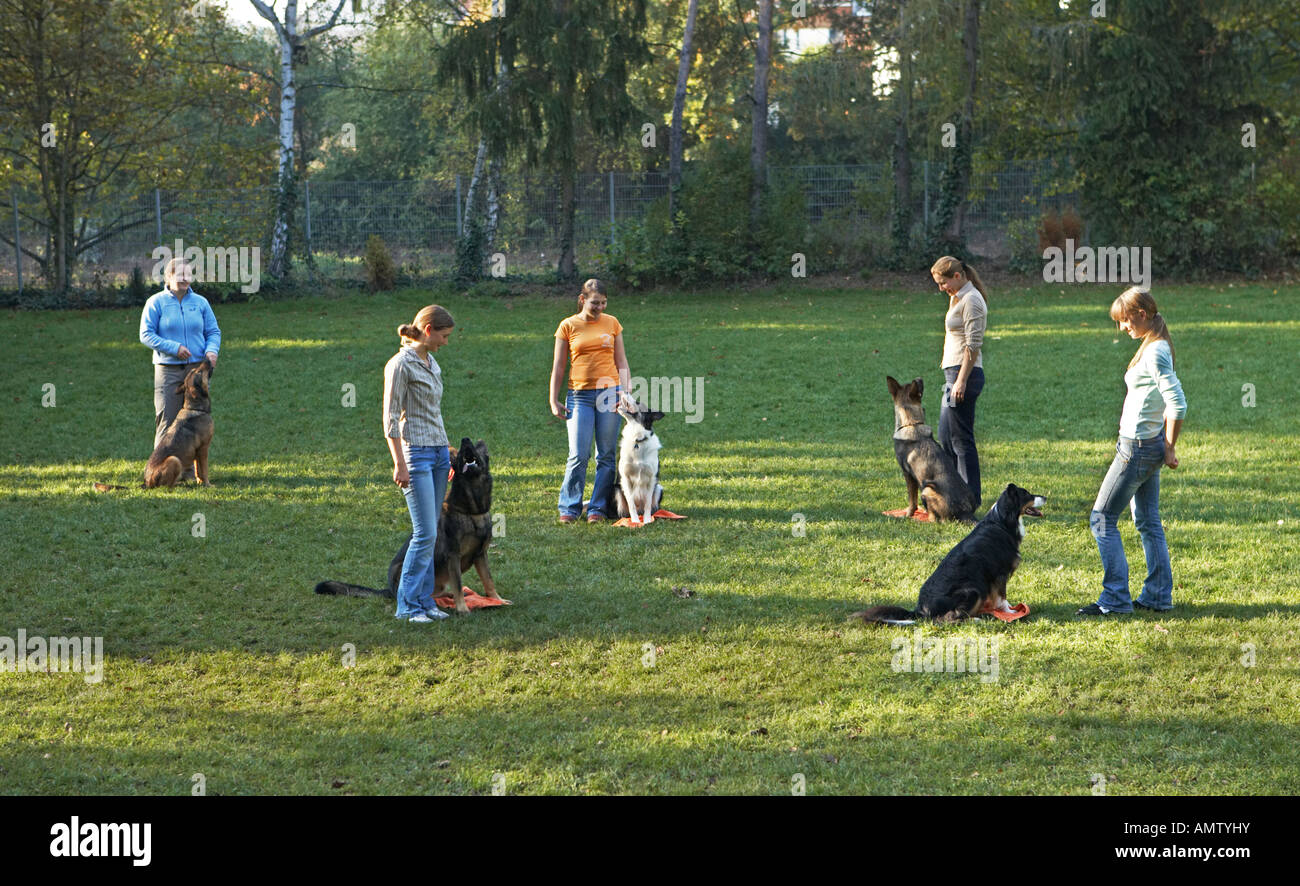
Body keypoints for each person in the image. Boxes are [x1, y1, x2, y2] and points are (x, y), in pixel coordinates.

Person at [1078, 287, 1186, 617]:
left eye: (1125, 321)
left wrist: (1169, 447)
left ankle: (1114, 599)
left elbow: (1177, 404)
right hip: (1145, 445)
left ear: (1141, 315)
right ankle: (1156, 596)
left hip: (1138, 449)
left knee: (1102, 519)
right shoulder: (1155, 345)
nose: (1123, 327)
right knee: (1148, 522)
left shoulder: (1155, 352)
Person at [384, 305, 456, 623]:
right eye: (443, 335)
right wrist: (399, 463)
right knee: (424, 532)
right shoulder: (400, 365)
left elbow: (432, 412)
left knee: (434, 531)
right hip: (415, 457)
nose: (446, 341)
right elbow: (389, 419)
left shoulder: (432, 361)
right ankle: (407, 606)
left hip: (439, 454)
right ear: (428, 330)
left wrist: (447, 449)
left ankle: (425, 601)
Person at [549, 278, 631, 523]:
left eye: (604, 303)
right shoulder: (567, 326)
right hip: (579, 396)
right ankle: (569, 507)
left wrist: (625, 393)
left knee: (606, 455)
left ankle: (598, 508)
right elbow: (559, 366)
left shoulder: (612, 323)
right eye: (595, 303)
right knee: (578, 454)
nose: (600, 308)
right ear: (582, 299)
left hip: (610, 395)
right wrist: (553, 399)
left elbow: (622, 361)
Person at [139, 258, 221, 482]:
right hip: (168, 370)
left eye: (188, 274)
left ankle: (188, 473)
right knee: (167, 422)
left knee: (196, 425)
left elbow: (213, 331)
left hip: (196, 371)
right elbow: (145, 334)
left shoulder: (201, 303)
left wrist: (212, 351)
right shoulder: (156, 302)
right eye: (180, 274)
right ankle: (160, 475)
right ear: (169, 277)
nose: (185, 278)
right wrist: (173, 348)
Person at [930, 255, 988, 507]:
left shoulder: (972, 300)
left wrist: (961, 381)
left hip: (965, 375)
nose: (941, 289)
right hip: (952, 374)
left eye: (943, 283)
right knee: (946, 435)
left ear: (957, 275)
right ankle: (954, 494)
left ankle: (970, 499)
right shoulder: (958, 296)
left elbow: (973, 346)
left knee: (961, 440)